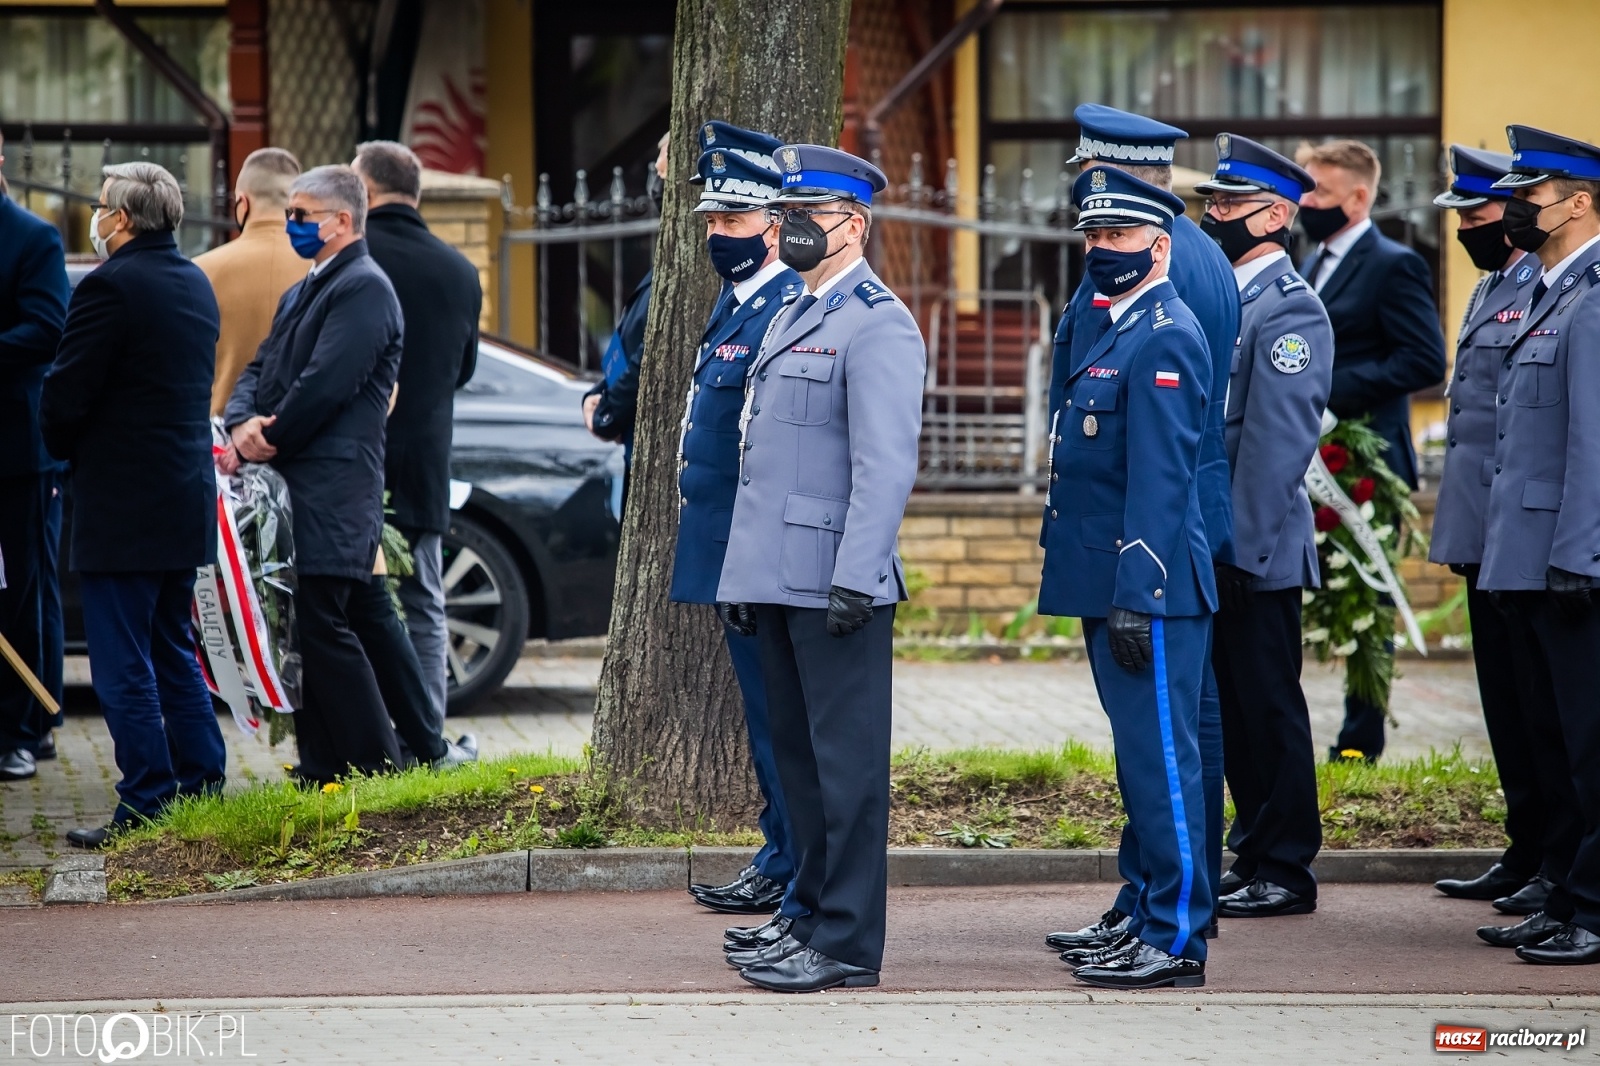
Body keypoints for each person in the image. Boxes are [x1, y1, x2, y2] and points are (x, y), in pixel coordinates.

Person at [716, 144, 924, 993]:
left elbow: (886, 463)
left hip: (838, 579)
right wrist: (742, 580)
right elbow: (764, 460)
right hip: (776, 576)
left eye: (810, 217)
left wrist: (858, 574)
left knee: (845, 772)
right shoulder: (794, 310)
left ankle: (845, 942)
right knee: (797, 762)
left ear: (854, 226)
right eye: (787, 215)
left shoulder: (879, 321)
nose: (792, 229)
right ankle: (803, 912)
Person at [1043, 103, 1237, 966]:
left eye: (1119, 233)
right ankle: (1155, 914)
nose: (1101, 249)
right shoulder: (1123, 320)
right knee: (1146, 764)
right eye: (1094, 235)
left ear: (1158, 243)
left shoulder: (1164, 331)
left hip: (1147, 581)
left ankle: (1177, 935)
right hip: (1116, 573)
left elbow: (1163, 477)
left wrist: (1139, 587)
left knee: (1166, 762)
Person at [39, 163, 226, 846]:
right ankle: (203, 780)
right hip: (182, 495)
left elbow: (66, 393)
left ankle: (146, 797)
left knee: (123, 662)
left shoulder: (110, 286)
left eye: (99, 206)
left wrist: (59, 442)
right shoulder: (193, 280)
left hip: (123, 499)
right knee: (172, 648)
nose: (94, 213)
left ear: (120, 218)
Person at [222, 165, 405, 784]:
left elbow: (326, 384)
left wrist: (264, 438)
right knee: (306, 627)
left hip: (333, 486)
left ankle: (379, 766)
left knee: (327, 623)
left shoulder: (365, 288)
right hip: (295, 486)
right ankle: (323, 765)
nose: (291, 224)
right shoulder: (305, 287)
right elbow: (260, 365)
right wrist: (240, 421)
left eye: (302, 215)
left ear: (342, 222)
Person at [665, 124, 806, 925]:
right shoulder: (740, 299)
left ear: (775, 225)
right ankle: (780, 851)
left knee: (780, 716)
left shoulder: (783, 304)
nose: (717, 235)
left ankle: (792, 862)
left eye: (733, 221)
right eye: (712, 221)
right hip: (723, 539)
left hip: (756, 547)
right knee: (764, 715)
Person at [1429, 145, 1572, 919]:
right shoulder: (1495, 285)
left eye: (1479, 214)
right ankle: (1527, 849)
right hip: (1485, 534)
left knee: (1543, 711)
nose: (1471, 228)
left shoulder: (1548, 289)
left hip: (1521, 535)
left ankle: (1556, 860)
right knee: (1507, 708)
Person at [1195, 135, 1332, 919]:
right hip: (1220, 544)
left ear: (1277, 215)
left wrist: (1238, 548)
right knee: (1235, 712)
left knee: (1269, 708)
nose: (1216, 217)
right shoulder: (1222, 295)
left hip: (1259, 550)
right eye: (1212, 205)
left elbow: (1278, 443)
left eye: (1230, 206)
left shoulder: (1290, 308)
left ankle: (1286, 863)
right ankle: (1252, 851)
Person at [1476, 124, 1600, 966]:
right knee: (1555, 739)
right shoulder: (1556, 290)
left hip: (1571, 558)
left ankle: (1590, 907)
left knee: (1591, 746)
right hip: (1530, 552)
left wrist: (1580, 554)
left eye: (1534, 195)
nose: (1518, 208)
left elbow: (1593, 442)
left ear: (1581, 202)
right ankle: (1567, 891)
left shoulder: (1592, 294)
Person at [1295, 139, 1447, 762]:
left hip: (1364, 463)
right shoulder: (1312, 259)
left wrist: (1334, 393)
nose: (1306, 203)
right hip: (1312, 453)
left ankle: (1361, 740)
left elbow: (1423, 358)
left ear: (1358, 198)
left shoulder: (1393, 264)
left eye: (1319, 193)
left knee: (1365, 597)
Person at [353, 140, 482, 731]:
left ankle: (369, 728)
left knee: (349, 606)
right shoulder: (459, 270)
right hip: (425, 458)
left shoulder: (354, 256)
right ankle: (428, 728)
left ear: (368, 191)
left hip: (354, 457)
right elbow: (464, 370)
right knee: (425, 602)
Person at [0, 131, 69, 782]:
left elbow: (47, 329)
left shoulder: (33, 237)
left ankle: (23, 728)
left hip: (17, 450)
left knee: (23, 590)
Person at [193, 147, 310, 415]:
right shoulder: (323, 269)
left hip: (222, 439)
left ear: (242, 203)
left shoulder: (200, 272)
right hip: (304, 434)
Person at [583, 133, 669, 467]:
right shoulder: (665, 255)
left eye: (663, 155)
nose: (657, 168)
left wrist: (608, 412)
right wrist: (599, 394)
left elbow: (650, 352)